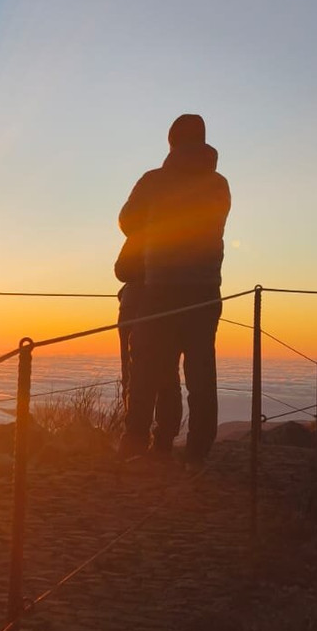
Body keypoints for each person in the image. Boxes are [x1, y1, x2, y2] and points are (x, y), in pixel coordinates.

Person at [118, 114, 231, 465]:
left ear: (171, 142)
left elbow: (127, 221)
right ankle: (198, 450)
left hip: (161, 287)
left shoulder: (155, 181)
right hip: (206, 291)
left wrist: (156, 229)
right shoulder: (219, 184)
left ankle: (142, 441)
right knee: (200, 371)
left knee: (150, 369)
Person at [114, 205, 184, 445]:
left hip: (136, 307)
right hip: (174, 308)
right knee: (168, 373)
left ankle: (135, 437)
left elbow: (122, 270)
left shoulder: (142, 233)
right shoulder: (186, 238)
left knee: (134, 372)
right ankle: (165, 437)